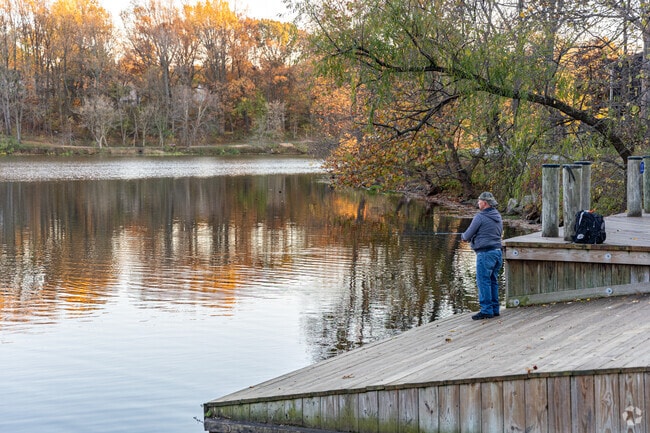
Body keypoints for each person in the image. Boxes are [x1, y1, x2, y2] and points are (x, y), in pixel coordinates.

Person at [461, 192, 503, 320]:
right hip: (497, 252)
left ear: (485, 203)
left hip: (485, 254)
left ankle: (486, 310)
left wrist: (462, 237)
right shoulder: (498, 216)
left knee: (483, 281)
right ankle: (495, 309)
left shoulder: (480, 217)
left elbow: (467, 236)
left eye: (479, 201)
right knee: (493, 281)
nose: (477, 203)